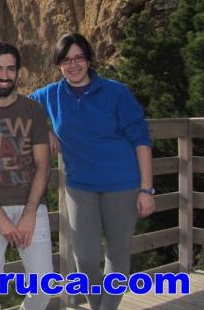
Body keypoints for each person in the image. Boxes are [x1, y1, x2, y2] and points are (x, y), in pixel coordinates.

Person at [30, 32, 155, 310]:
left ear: (89, 60)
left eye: (79, 58)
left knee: (117, 254)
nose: (73, 65)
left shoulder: (115, 92)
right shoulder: (51, 94)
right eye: (66, 59)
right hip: (79, 186)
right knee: (84, 258)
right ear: (58, 63)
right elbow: (22, 108)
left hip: (122, 184)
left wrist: (146, 189)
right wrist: (45, 128)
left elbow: (141, 140)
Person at [0, 42, 53, 310]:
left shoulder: (33, 110)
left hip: (31, 206)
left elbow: (43, 164)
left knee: (43, 288)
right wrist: (0, 216)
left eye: (10, 69)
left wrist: (30, 211)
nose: (4, 75)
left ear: (18, 72)